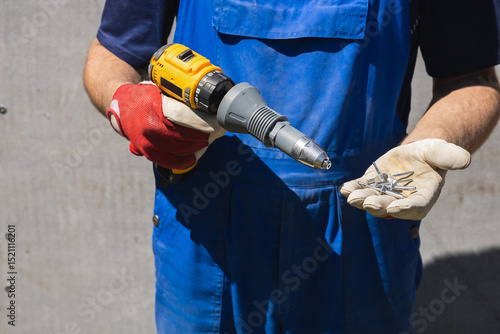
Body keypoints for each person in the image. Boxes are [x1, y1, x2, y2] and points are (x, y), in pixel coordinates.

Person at [83, 0, 500, 332]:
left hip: (362, 228)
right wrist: (128, 102)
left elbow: (473, 79)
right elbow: (111, 55)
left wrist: (430, 143)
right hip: (204, 231)